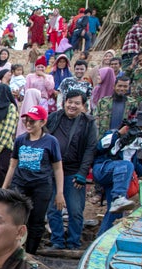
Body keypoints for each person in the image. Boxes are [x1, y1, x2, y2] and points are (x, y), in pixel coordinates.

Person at [3, 105, 65, 254]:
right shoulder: (20, 140)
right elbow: (12, 165)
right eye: (27, 121)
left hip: (41, 185)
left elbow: (57, 168)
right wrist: (4, 188)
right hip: (20, 183)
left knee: (36, 221)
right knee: (16, 218)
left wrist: (59, 192)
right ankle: (14, 251)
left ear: (43, 123)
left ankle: (31, 254)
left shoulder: (51, 141)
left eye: (33, 122)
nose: (29, 124)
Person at [46, 91, 98, 249]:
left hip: (74, 172)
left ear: (83, 106)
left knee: (75, 210)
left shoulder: (88, 123)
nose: (72, 106)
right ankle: (57, 241)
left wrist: (83, 173)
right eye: (70, 102)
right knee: (53, 209)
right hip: (53, 171)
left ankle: (74, 242)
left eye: (77, 103)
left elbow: (90, 149)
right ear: (64, 102)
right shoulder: (54, 117)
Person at [93, 111, 142, 234]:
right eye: (140, 128)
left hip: (118, 179)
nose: (141, 131)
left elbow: (134, 161)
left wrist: (141, 175)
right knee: (126, 165)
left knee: (116, 212)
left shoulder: (135, 142)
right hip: (103, 169)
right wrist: (119, 135)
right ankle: (119, 198)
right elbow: (100, 147)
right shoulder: (112, 134)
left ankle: (102, 237)